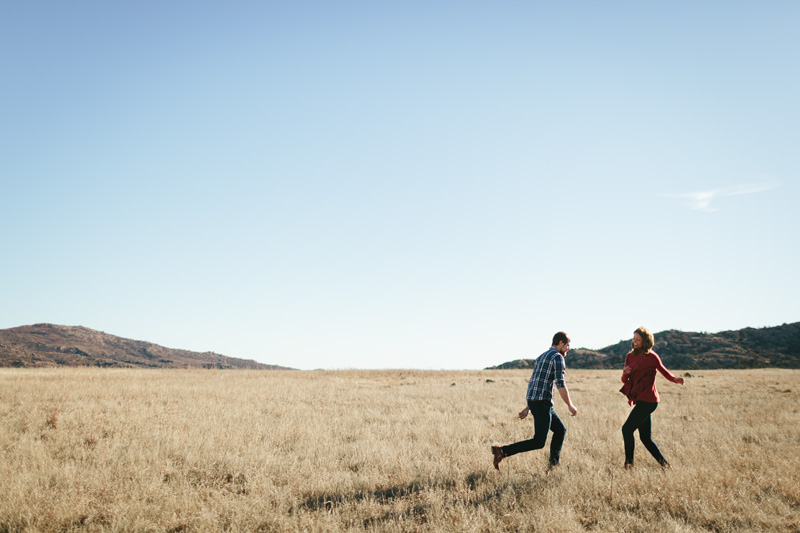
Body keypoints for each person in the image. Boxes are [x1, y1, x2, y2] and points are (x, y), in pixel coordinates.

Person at [492, 331, 578, 471]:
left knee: (560, 430)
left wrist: (528, 407)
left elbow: (534, 383)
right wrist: (570, 405)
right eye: (567, 344)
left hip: (538, 402)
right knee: (538, 442)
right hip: (542, 403)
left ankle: (553, 467)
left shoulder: (542, 356)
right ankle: (502, 451)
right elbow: (560, 383)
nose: (569, 348)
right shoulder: (557, 357)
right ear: (560, 343)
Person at [619, 326, 685, 469]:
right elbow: (625, 381)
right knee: (645, 438)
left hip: (649, 401)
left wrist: (675, 379)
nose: (635, 341)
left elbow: (664, 371)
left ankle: (628, 464)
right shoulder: (629, 356)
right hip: (641, 400)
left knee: (626, 429)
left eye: (638, 339)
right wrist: (625, 373)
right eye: (634, 338)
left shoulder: (652, 357)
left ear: (645, 341)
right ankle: (665, 466)